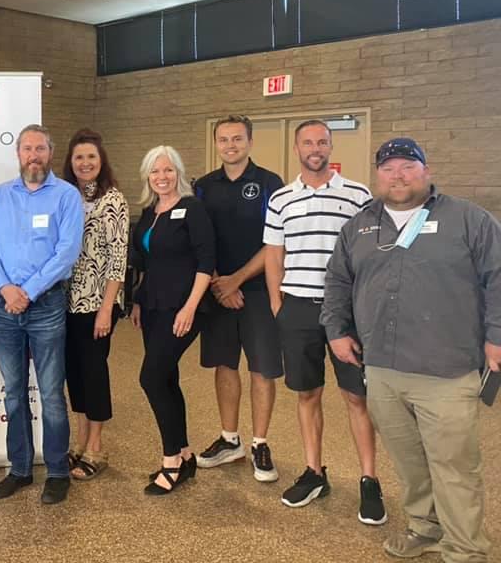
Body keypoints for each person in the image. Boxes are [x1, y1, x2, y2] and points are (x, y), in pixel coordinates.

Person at [322, 138, 499, 562]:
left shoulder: (468, 219)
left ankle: (465, 549)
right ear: (377, 175)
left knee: (454, 465)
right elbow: (338, 281)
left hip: (446, 369)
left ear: (426, 170)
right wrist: (336, 329)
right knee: (409, 461)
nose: (397, 176)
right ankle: (425, 527)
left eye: (407, 166)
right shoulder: (360, 226)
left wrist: (497, 334)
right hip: (382, 369)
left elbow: (498, 276)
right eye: (388, 168)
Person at [263, 119, 385, 524]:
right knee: (307, 394)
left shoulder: (358, 195)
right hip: (297, 309)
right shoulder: (281, 199)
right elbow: (274, 254)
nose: (315, 148)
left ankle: (369, 480)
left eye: (322, 142)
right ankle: (314, 473)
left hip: (346, 312)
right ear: (296, 149)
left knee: (356, 397)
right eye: (307, 142)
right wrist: (278, 304)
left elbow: (371, 252)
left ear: (331, 147)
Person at [0, 124, 84, 505]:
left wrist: (28, 292)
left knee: (52, 394)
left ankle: (57, 471)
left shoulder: (67, 196)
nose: (33, 155)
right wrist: (7, 289)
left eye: (40, 148)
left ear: (50, 153)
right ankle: (20, 469)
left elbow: (66, 252)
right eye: (27, 149)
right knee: (13, 392)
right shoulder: (1, 196)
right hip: (4, 307)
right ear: (18, 154)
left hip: (47, 307)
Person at [194, 115, 284, 482]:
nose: (230, 145)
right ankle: (230, 440)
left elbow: (275, 242)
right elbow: (199, 240)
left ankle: (260, 443)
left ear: (249, 141)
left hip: (259, 291)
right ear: (216, 143)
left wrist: (237, 281)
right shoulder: (203, 187)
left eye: (237, 139)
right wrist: (220, 284)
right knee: (224, 365)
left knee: (261, 368)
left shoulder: (270, 183)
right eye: (224, 139)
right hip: (217, 292)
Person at [131, 145, 215, 496]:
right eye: (155, 171)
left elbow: (206, 262)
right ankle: (185, 454)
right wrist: (138, 301)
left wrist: (190, 307)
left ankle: (171, 462)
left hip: (183, 307)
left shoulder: (192, 209)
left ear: (178, 172)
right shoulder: (149, 212)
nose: (162, 177)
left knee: (151, 378)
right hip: (152, 306)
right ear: (147, 176)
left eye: (167, 170)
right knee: (166, 379)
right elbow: (146, 264)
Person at [61, 128, 128, 481]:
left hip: (98, 302)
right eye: (79, 157)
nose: (85, 163)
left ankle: (97, 448)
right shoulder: (65, 196)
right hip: (66, 301)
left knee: (94, 371)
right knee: (74, 372)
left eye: (91, 157)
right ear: (70, 162)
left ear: (101, 161)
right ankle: (80, 439)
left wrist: (106, 308)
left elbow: (118, 259)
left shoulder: (112, 200)